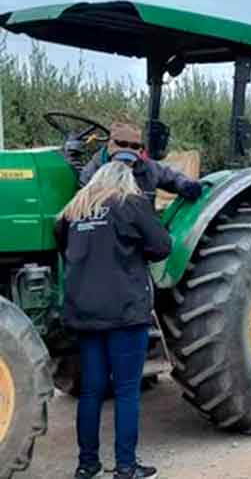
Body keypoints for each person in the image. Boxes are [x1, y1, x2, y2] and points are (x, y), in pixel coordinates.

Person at [55, 161, 171, 479]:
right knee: (126, 390)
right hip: (124, 310)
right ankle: (125, 466)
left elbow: (63, 246)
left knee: (91, 390)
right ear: (126, 181)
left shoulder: (73, 210)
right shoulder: (129, 204)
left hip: (85, 312)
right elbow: (162, 245)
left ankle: (87, 464)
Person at [80, 122, 203, 205]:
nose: (126, 164)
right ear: (110, 146)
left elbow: (171, 178)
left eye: (134, 146)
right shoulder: (92, 171)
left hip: (142, 226)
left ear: (139, 149)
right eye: (122, 144)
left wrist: (184, 185)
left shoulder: (149, 168)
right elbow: (84, 203)